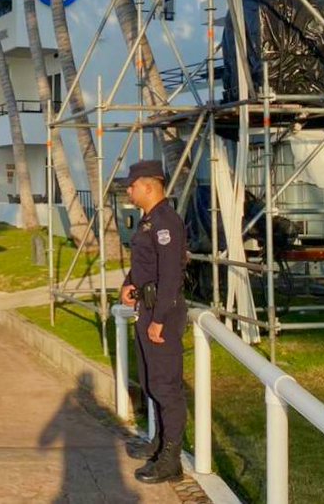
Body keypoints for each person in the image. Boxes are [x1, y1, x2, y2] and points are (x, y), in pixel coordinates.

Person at [120, 160, 188, 484]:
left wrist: (159, 319)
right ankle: (159, 445)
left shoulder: (166, 222)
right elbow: (146, 264)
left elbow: (171, 275)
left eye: (132, 186)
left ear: (148, 186)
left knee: (166, 388)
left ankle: (171, 462)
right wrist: (128, 283)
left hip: (163, 313)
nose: (129, 192)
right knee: (151, 382)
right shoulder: (149, 222)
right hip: (147, 308)